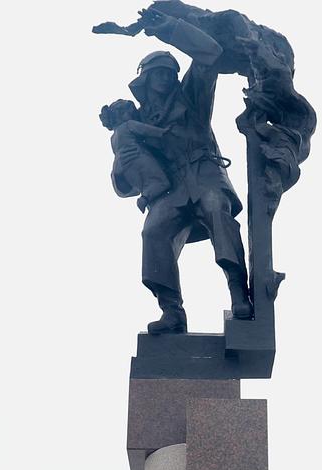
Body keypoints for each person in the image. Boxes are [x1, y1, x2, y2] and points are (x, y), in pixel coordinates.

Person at [114, 8, 252, 334]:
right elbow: (128, 179)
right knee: (153, 232)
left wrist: (171, 29)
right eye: (159, 73)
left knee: (216, 209)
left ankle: (238, 291)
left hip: (205, 173)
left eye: (170, 73)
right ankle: (172, 311)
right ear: (146, 80)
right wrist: (123, 155)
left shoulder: (192, 96)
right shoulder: (141, 122)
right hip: (172, 189)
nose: (166, 79)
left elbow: (211, 54)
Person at [101, 99, 171, 211]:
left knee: (146, 185)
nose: (132, 114)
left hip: (124, 167)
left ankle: (147, 198)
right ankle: (144, 199)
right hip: (138, 157)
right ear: (121, 115)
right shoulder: (129, 125)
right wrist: (165, 131)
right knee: (162, 183)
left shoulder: (113, 138)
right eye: (129, 112)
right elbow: (149, 131)